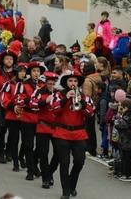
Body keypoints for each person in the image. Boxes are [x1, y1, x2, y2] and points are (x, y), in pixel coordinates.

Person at [50, 69, 95, 199]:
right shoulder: (58, 95)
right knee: (64, 163)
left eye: (75, 81)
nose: (73, 83)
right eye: (70, 80)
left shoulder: (85, 97)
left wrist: (82, 102)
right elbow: (54, 110)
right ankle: (65, 191)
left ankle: (71, 184)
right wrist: (65, 99)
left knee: (80, 162)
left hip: (79, 133)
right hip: (62, 133)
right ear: (66, 83)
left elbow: (90, 113)